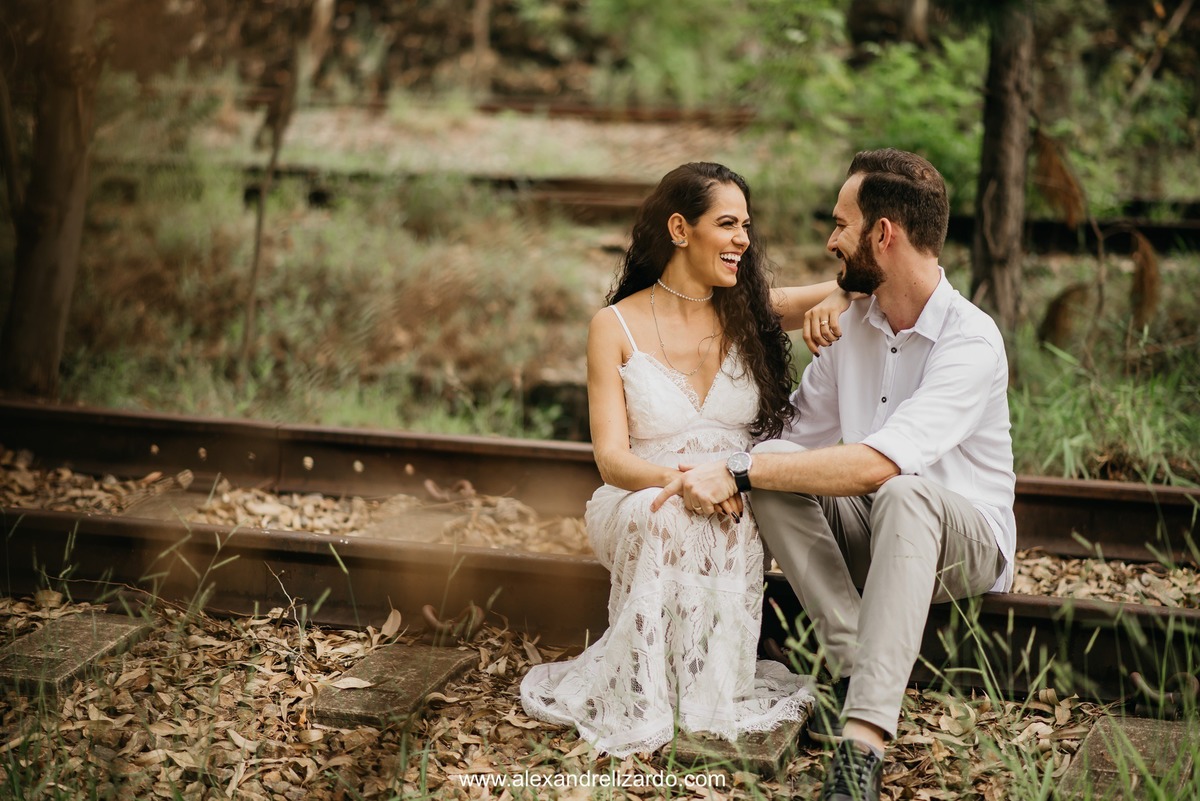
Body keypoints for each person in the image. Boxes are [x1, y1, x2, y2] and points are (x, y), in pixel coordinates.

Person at [652, 149, 1016, 801]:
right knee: (774, 468)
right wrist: (723, 463)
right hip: (878, 528)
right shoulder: (853, 325)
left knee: (899, 488)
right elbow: (787, 443)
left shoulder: (970, 340)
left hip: (965, 541)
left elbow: (880, 463)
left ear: (884, 234)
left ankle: (863, 741)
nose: (830, 241)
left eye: (841, 224)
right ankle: (853, 663)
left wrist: (737, 469)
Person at [519, 162, 852, 757]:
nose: (743, 240)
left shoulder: (751, 308)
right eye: (727, 225)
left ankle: (712, 693)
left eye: (746, 226)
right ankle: (649, 694)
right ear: (680, 228)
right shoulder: (612, 325)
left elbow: (846, 290)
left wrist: (839, 297)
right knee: (665, 514)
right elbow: (612, 461)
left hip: (733, 496)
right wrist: (687, 482)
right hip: (642, 492)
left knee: (746, 511)